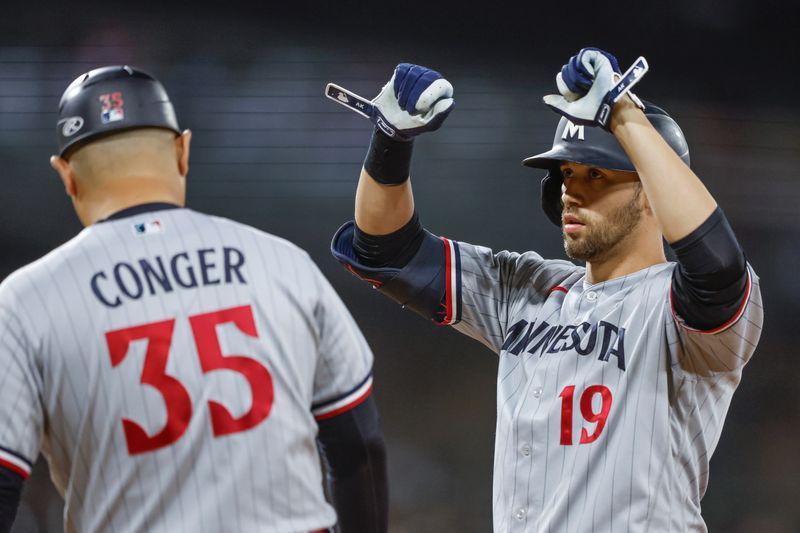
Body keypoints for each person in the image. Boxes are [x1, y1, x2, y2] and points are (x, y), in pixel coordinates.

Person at [328, 52, 763, 531]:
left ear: (654, 192)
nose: (571, 191)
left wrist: (622, 114)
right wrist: (390, 144)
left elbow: (717, 268)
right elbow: (386, 252)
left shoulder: (679, 305)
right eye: (568, 174)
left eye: (596, 174)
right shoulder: (530, 289)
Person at [0, 65, 388, 533]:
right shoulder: (283, 263)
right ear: (183, 151)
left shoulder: (27, 302)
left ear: (66, 175)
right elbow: (359, 444)